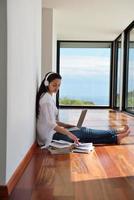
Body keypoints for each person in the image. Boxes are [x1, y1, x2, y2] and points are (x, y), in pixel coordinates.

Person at [36, 72, 130, 147]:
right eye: (54, 85)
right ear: (47, 84)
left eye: (59, 85)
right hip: (49, 136)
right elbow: (51, 124)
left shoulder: (47, 97)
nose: (57, 88)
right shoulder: (46, 101)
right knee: (84, 132)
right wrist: (68, 133)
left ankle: (115, 138)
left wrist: (69, 126)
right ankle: (115, 131)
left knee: (82, 135)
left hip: (51, 133)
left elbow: (53, 121)